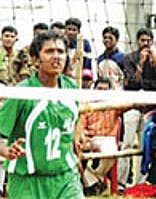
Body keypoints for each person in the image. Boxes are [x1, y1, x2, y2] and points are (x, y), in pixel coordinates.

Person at [0, 31, 83, 198]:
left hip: (66, 177)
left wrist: (77, 145)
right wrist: (6, 150)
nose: (57, 56)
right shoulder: (21, 94)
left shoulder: (71, 88)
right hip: (28, 181)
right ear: (36, 60)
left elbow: (72, 123)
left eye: (60, 51)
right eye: (49, 51)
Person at [118, 27, 156, 193]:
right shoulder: (129, 58)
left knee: (145, 146)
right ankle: (121, 184)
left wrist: (152, 65)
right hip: (132, 106)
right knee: (127, 144)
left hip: (149, 109)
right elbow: (131, 83)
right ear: (138, 41)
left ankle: (139, 184)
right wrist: (141, 65)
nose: (146, 44)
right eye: (143, 40)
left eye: (149, 40)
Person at [80, 77, 124, 196]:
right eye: (99, 89)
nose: (102, 92)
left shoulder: (114, 105)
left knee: (111, 151)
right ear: (94, 89)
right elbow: (81, 126)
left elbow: (126, 108)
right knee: (78, 150)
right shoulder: (87, 105)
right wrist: (85, 139)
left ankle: (91, 179)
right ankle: (91, 183)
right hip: (91, 138)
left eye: (105, 89)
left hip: (108, 138)